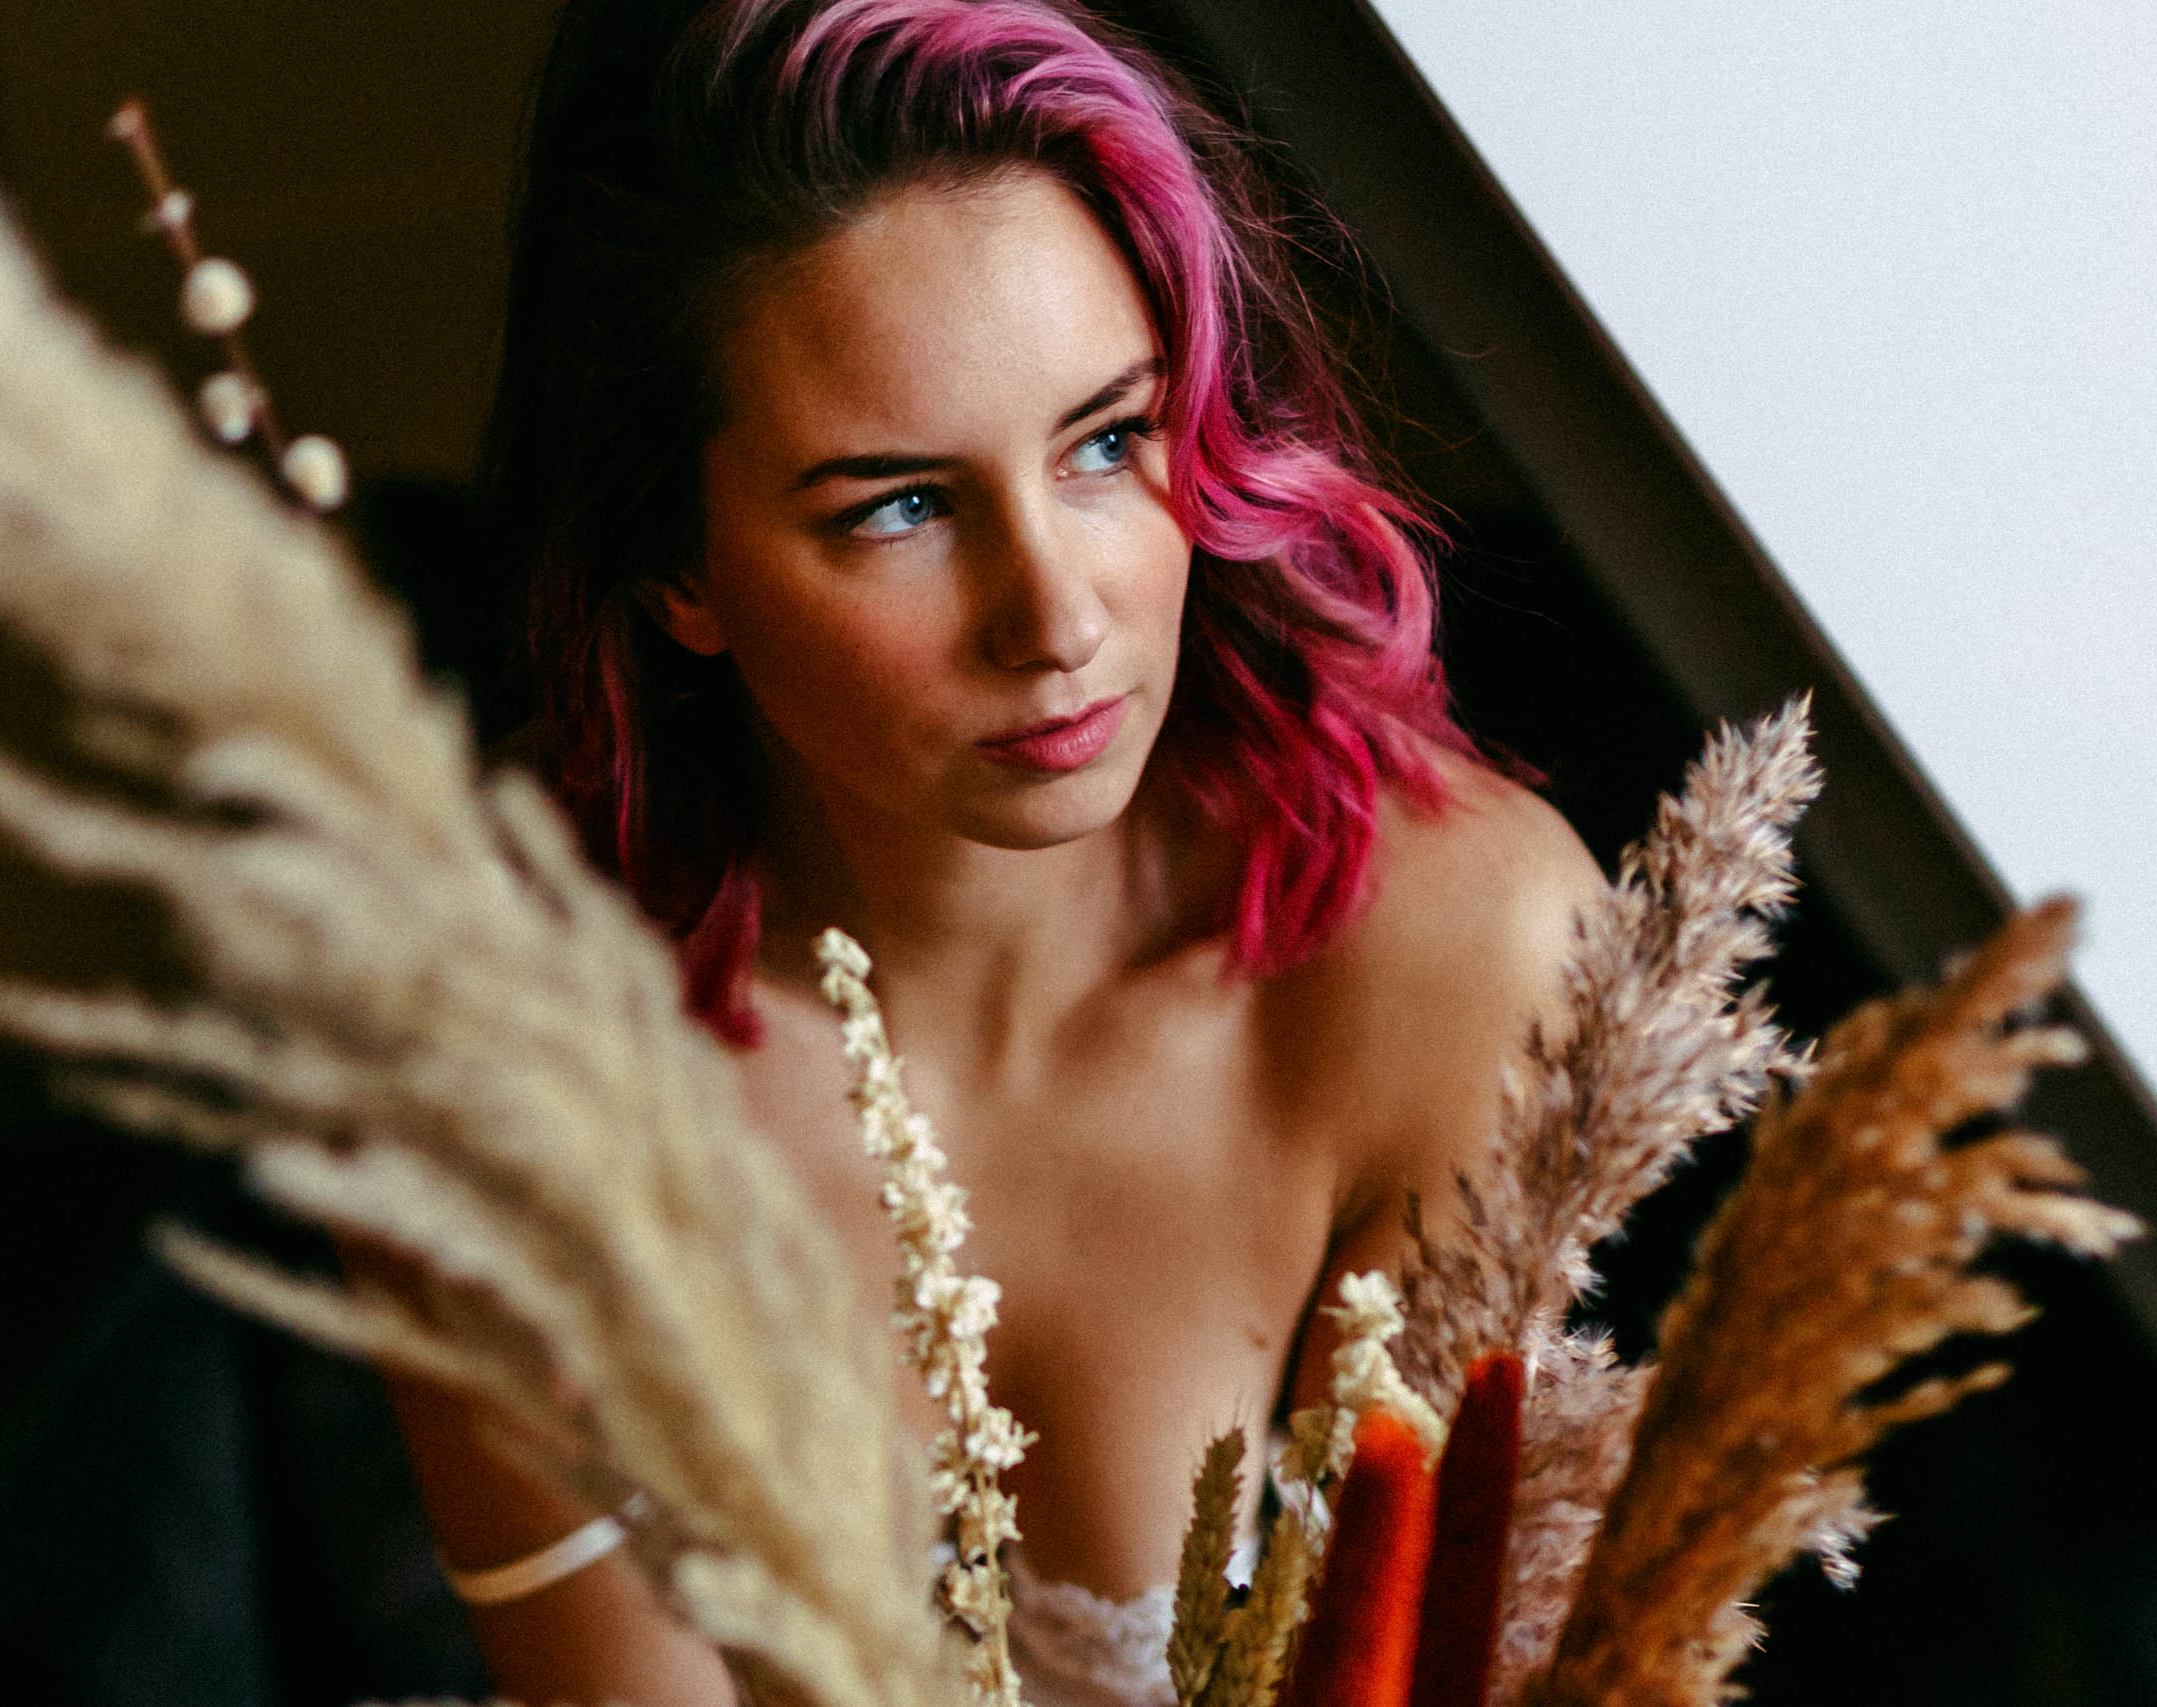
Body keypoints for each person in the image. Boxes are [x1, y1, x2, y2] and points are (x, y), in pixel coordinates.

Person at [385, 1, 1603, 1701]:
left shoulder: (1457, 957)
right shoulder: (501, 1039)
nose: (1054, 616)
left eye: (1108, 441)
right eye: (898, 505)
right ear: (673, 567)